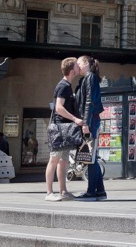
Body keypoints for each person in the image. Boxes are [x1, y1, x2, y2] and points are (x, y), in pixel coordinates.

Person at [46, 57, 84, 202]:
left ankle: (63, 191)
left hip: (65, 129)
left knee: (63, 161)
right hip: (60, 128)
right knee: (54, 159)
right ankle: (49, 192)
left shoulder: (67, 86)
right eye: (77, 65)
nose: (79, 67)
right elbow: (58, 108)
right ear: (72, 70)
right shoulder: (63, 86)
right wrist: (75, 119)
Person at [74, 55, 106, 201]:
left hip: (91, 121)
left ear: (86, 63)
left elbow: (89, 102)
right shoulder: (87, 78)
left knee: (90, 158)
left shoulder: (90, 77)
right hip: (91, 121)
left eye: (78, 63)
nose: (77, 66)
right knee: (90, 157)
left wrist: (85, 123)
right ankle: (100, 191)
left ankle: (92, 191)